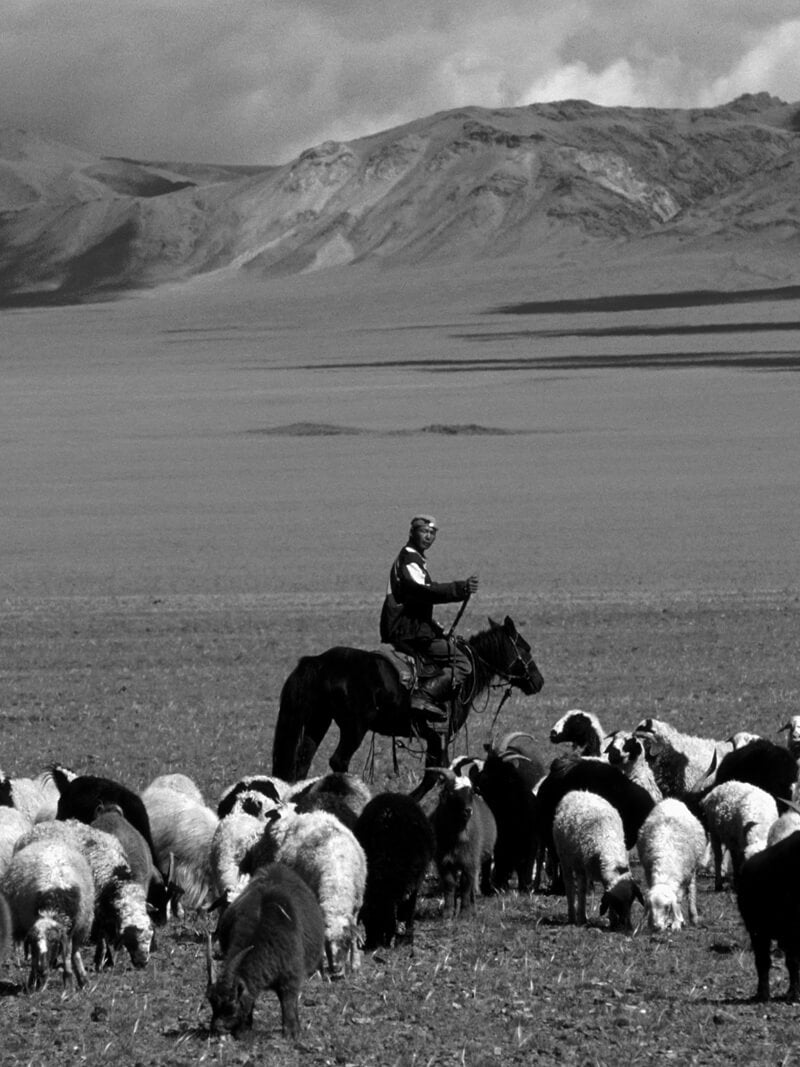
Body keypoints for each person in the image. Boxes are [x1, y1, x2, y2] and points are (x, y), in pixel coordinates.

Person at [380, 514, 479, 717]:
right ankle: (423, 696)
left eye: (432, 533)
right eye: (423, 531)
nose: (428, 536)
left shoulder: (415, 558)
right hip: (407, 630)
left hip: (412, 626)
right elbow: (421, 591)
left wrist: (434, 626)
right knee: (462, 662)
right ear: (412, 533)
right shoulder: (409, 557)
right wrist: (459, 589)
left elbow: (417, 601)